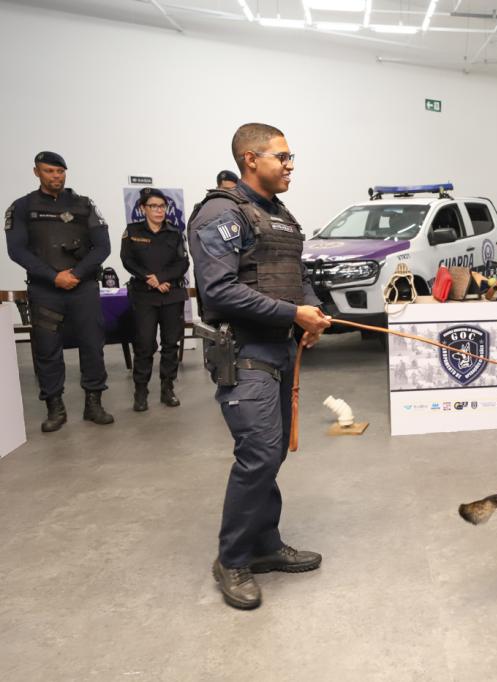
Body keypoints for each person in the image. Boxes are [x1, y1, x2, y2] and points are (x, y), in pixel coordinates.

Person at [188, 123, 330, 610]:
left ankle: (265, 543)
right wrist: (293, 313)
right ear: (251, 159)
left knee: (271, 454)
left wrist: (311, 313)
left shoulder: (279, 216)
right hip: (245, 354)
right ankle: (231, 559)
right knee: (259, 454)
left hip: (280, 350)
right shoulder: (221, 214)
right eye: (282, 157)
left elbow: (297, 275)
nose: (290, 166)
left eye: (291, 157)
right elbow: (219, 290)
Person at [4, 151, 114, 432]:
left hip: (83, 287)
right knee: (47, 348)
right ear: (37, 172)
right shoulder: (22, 207)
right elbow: (17, 250)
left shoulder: (84, 205)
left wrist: (75, 274)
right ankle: (55, 407)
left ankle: (94, 403)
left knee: (92, 344)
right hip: (45, 290)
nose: (56, 176)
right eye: (49, 171)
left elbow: (103, 247)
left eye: (60, 171)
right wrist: (54, 277)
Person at [120, 187, 189, 411]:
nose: (159, 210)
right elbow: (127, 260)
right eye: (153, 206)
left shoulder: (175, 232)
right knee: (144, 344)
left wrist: (161, 278)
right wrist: (148, 278)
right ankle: (141, 392)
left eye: (162, 206)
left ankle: (167, 389)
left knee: (171, 344)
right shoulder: (132, 231)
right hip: (144, 296)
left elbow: (183, 262)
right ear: (143, 209)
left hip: (171, 294)